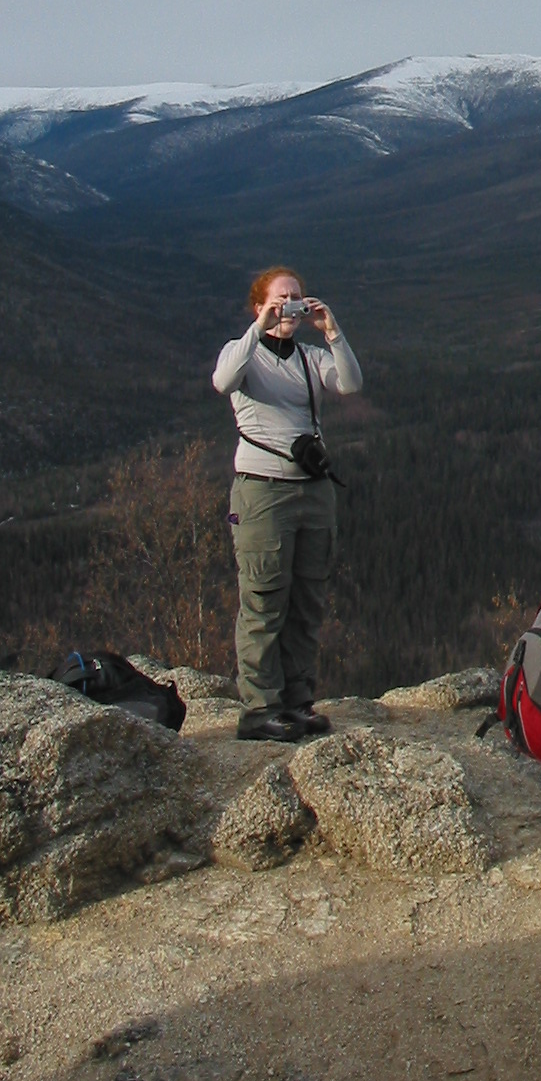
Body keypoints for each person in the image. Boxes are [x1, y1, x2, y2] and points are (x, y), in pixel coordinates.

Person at [212, 266, 361, 742]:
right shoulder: (246, 356)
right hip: (262, 491)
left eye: (297, 296)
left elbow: (351, 384)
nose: (290, 305)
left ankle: (298, 700)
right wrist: (260, 328)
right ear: (259, 306)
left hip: (312, 490)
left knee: (307, 599)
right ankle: (259, 708)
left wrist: (332, 331)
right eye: (280, 299)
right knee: (263, 598)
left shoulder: (310, 357)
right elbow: (223, 379)